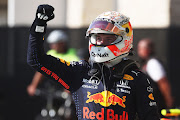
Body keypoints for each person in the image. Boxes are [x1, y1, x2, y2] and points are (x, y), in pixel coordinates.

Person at [27, 4, 160, 120]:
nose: (101, 43)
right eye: (97, 37)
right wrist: (39, 26)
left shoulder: (138, 79)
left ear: (125, 40)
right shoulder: (80, 71)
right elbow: (36, 60)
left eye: (108, 38)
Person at [27, 30, 79, 96]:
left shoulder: (73, 54)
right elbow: (41, 71)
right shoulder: (50, 53)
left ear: (62, 43)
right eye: (51, 44)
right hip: (53, 87)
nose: (52, 46)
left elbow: (77, 73)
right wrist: (33, 85)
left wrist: (70, 87)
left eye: (55, 43)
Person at [137, 38, 174, 116]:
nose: (139, 51)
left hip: (157, 105)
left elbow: (163, 83)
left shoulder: (153, 63)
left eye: (141, 48)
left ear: (148, 49)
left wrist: (168, 101)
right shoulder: (145, 63)